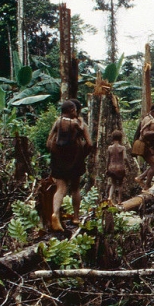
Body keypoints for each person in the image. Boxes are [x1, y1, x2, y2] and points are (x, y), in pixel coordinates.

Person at [46, 99, 92, 231]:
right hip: (75, 159)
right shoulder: (79, 124)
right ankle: (76, 217)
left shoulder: (58, 122)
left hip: (59, 159)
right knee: (75, 189)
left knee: (60, 188)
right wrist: (82, 155)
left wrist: (56, 154)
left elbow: (48, 142)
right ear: (73, 110)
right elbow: (89, 144)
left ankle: (55, 214)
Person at [134, 104, 154, 189]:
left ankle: (140, 177)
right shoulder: (148, 119)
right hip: (144, 145)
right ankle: (147, 185)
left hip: (149, 146)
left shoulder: (153, 120)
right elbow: (145, 134)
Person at [106, 129, 127, 204]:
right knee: (120, 184)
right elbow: (125, 158)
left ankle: (110, 197)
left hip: (111, 168)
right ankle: (119, 200)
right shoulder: (122, 148)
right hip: (120, 168)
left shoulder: (109, 148)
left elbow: (108, 159)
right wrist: (128, 166)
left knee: (113, 183)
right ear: (120, 138)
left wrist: (107, 168)